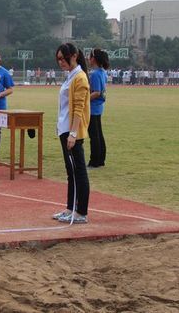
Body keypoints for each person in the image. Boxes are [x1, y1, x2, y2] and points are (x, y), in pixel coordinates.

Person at [52, 43, 90, 224]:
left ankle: (81, 212)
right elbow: (64, 106)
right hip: (64, 128)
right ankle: (70, 208)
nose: (61, 62)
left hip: (72, 131)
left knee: (79, 171)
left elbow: (78, 109)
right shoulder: (69, 77)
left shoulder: (80, 78)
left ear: (74, 56)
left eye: (63, 58)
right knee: (71, 171)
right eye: (58, 59)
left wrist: (73, 133)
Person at [88, 48, 109, 169]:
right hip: (99, 107)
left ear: (93, 59)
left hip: (93, 107)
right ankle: (101, 159)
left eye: (90, 57)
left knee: (94, 135)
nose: (88, 59)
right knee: (99, 134)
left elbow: (96, 92)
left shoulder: (95, 74)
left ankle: (94, 161)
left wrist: (84, 100)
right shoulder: (102, 72)